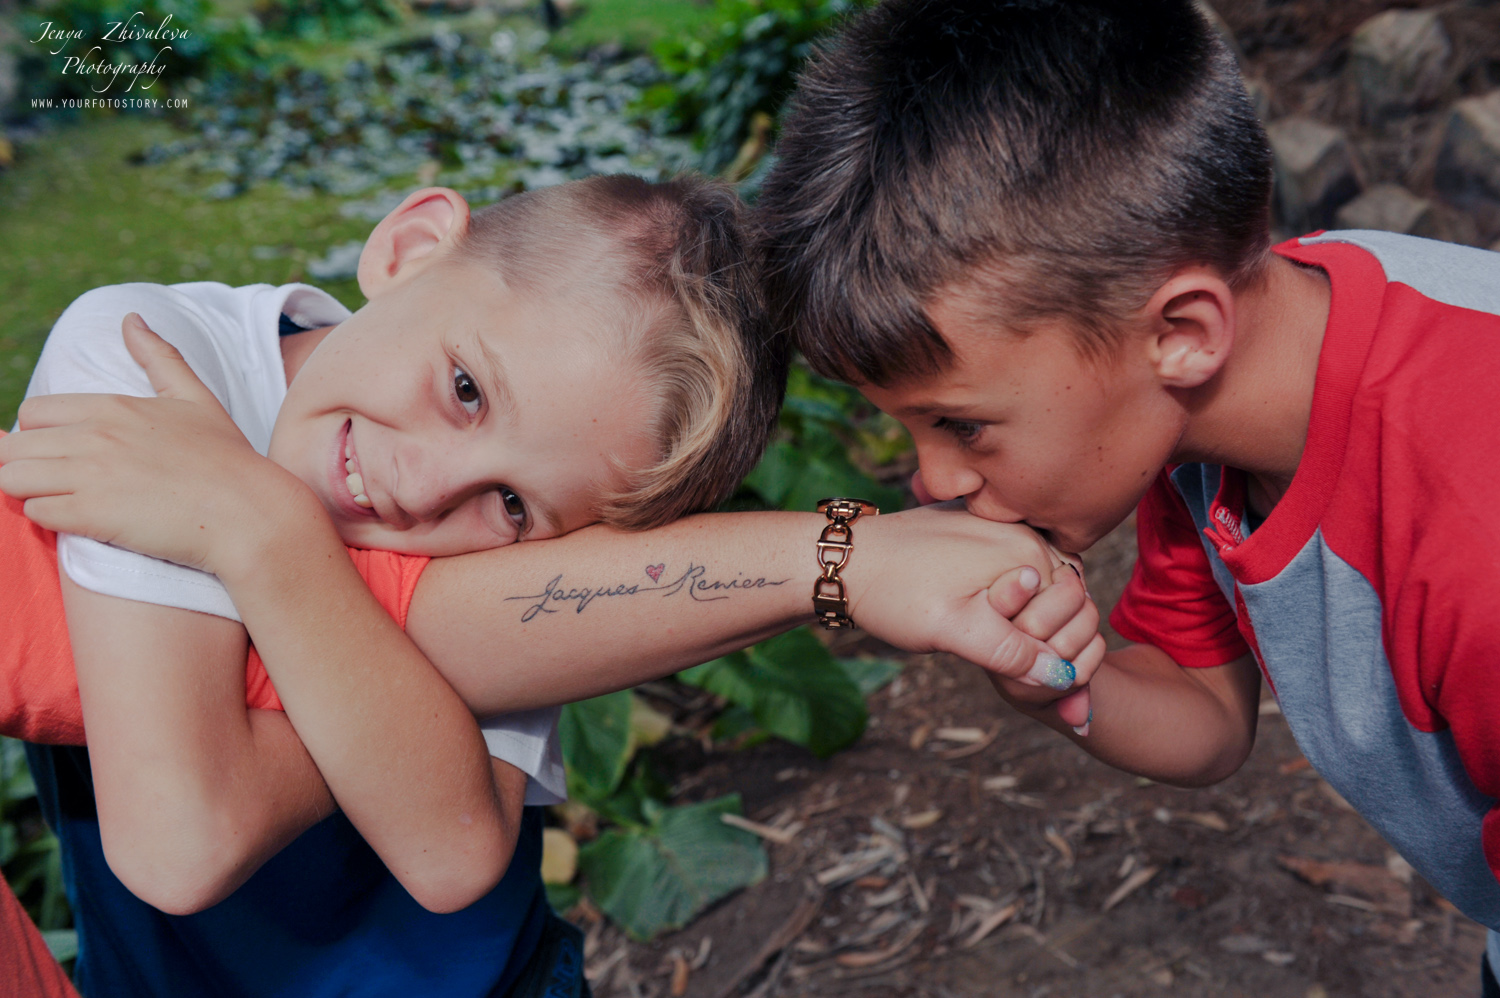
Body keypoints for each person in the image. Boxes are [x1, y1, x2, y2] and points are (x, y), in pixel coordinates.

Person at [0, 181, 1100, 993]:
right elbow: (184, 838)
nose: (424, 486)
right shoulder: (142, 355)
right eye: (466, 389)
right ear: (411, 248)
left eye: (514, 505)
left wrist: (262, 532)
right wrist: (424, 668)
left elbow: (450, 852)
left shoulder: (451, 533)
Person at [755, 0, 1500, 992]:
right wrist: (1053, 678)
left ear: (1185, 333)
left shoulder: (1474, 536)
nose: (932, 482)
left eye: (961, 424)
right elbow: (1205, 708)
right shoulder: (1200, 395)